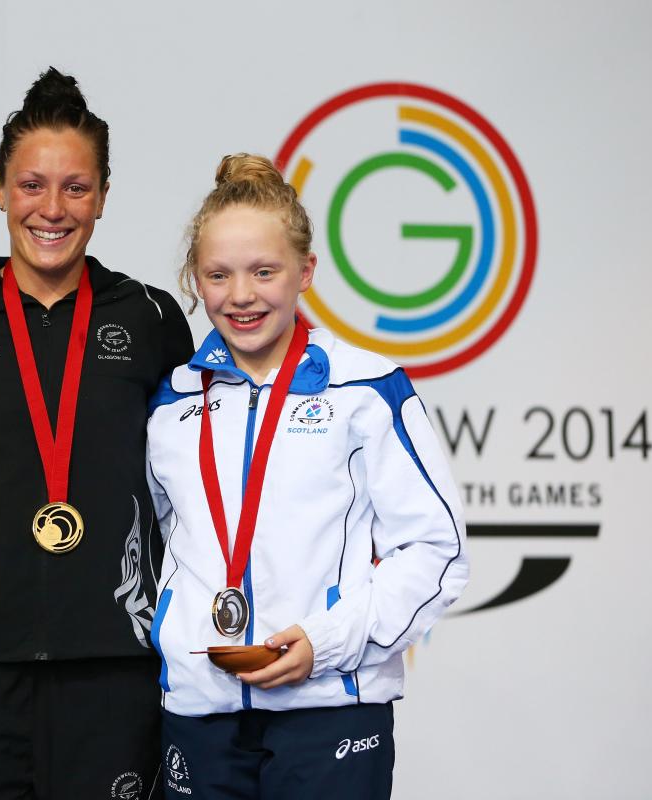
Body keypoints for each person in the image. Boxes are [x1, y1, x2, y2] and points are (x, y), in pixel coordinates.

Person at [146, 154, 469, 799]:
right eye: (219, 275)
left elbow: (438, 550)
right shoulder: (173, 404)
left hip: (330, 710)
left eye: (264, 271)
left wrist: (328, 642)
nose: (241, 296)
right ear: (194, 280)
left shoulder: (367, 388)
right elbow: (167, 545)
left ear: (306, 273)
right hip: (202, 713)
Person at [0, 68, 194, 799]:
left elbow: (196, 477)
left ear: (103, 194)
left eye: (75, 187)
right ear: (0, 188)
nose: (52, 208)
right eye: (32, 184)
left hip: (114, 665)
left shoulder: (152, 318)